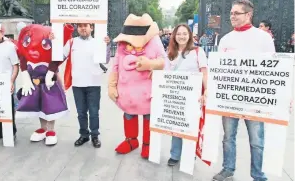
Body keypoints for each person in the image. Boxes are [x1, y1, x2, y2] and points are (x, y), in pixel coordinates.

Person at [212, 0, 274, 181]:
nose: (232, 16)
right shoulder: (225, 39)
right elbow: (219, 70)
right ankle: (227, 169)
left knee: (256, 140)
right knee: (228, 137)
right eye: (231, 13)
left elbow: (273, 68)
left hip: (254, 99)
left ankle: (258, 174)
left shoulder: (263, 38)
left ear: (248, 15)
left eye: (236, 13)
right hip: (230, 99)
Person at [108, 13, 166, 159]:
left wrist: (151, 64)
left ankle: (148, 144)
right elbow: (115, 66)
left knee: (148, 116)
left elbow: (164, 61)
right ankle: (131, 140)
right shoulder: (122, 44)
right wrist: (111, 85)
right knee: (128, 114)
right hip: (127, 93)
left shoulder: (154, 41)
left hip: (147, 92)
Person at [16, 24, 69, 146]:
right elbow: (23, 61)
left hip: (48, 87)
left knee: (50, 107)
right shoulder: (27, 55)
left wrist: (53, 78)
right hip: (35, 87)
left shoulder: (52, 52)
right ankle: (43, 128)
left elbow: (56, 61)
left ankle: (50, 130)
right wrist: (26, 79)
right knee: (39, 107)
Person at [59, 23, 111, 148]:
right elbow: (59, 56)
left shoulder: (98, 42)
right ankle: (84, 135)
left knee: (94, 112)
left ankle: (95, 136)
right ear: (77, 29)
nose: (83, 28)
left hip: (94, 83)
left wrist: (107, 45)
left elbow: (106, 59)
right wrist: (53, 41)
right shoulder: (71, 42)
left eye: (86, 26)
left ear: (91, 28)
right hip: (78, 83)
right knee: (81, 112)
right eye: (80, 26)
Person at [165, 24, 208, 166]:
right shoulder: (170, 52)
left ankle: (190, 154)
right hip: (175, 96)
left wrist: (207, 90)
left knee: (190, 125)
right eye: (178, 34)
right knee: (176, 125)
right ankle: (175, 154)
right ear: (174, 36)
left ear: (189, 35)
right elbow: (166, 74)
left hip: (192, 97)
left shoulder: (197, 51)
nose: (181, 36)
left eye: (184, 34)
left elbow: (204, 72)